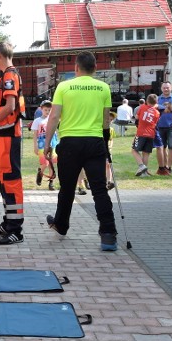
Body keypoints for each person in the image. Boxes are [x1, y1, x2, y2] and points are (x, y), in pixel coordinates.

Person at [43, 51, 118, 252]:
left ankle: (61, 224)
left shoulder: (64, 87)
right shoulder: (104, 88)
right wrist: (105, 144)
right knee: (99, 189)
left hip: (69, 143)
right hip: (94, 142)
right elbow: (105, 121)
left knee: (66, 188)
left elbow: (54, 117)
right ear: (94, 68)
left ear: (76, 68)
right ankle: (108, 234)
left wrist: (48, 143)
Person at [0, 40, 25, 245]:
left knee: (10, 180)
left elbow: (10, 106)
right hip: (5, 136)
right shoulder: (9, 75)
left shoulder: (9, 76)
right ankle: (9, 223)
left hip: (10, 136)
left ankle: (15, 230)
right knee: (3, 179)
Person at [30, 100, 57, 191]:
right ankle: (40, 173)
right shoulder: (37, 121)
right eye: (45, 110)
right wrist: (35, 146)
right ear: (41, 109)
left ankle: (51, 182)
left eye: (49, 110)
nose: (47, 112)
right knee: (45, 163)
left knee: (51, 164)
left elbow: (55, 131)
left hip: (52, 143)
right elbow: (35, 134)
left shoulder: (52, 119)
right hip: (42, 144)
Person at [131, 93, 160, 177]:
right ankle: (144, 173)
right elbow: (155, 122)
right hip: (151, 134)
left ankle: (141, 166)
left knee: (134, 150)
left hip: (141, 133)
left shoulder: (142, 107)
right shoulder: (157, 112)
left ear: (147, 100)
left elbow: (136, 117)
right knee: (146, 153)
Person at [155, 81, 172, 174]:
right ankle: (163, 167)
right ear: (161, 88)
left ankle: (169, 167)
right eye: (164, 88)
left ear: (171, 88)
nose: (166, 89)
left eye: (167, 87)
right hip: (160, 126)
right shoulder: (157, 99)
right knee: (162, 147)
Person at [154, 102, 172, 176]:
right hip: (159, 128)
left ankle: (166, 167)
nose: (167, 112)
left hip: (169, 127)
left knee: (169, 147)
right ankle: (162, 168)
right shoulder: (159, 104)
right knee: (161, 147)